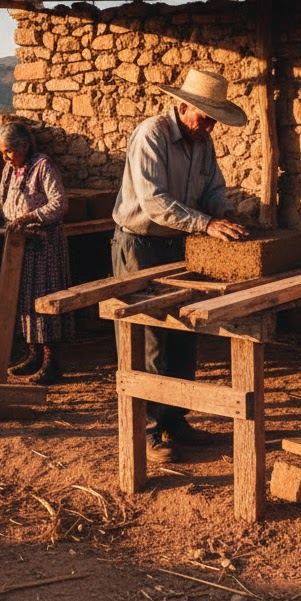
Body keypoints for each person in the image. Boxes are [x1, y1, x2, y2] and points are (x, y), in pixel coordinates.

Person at [111, 67, 250, 463]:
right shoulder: (150, 135)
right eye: (204, 117)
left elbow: (213, 188)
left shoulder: (203, 142)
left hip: (178, 244)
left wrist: (225, 211)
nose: (208, 126)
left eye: (213, 120)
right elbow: (153, 202)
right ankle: (148, 430)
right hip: (139, 245)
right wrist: (206, 223)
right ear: (182, 106)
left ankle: (176, 420)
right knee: (151, 338)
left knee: (186, 330)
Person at [0, 123, 73, 384]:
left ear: (24, 146)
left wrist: (29, 217)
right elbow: (0, 202)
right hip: (20, 243)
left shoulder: (43, 166)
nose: (5, 157)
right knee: (24, 299)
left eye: (8, 151)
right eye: (2, 152)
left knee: (44, 300)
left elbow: (60, 204)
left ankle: (51, 363)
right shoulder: (10, 169)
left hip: (44, 243)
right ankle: (33, 354)